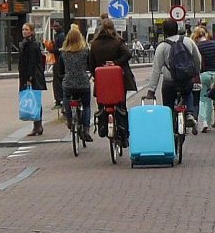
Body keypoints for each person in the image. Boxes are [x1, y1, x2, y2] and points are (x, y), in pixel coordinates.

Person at [145, 18, 203, 131]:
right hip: (186, 79)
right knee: (187, 92)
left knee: (168, 104)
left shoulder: (162, 47)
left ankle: (169, 123)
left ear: (164, 31)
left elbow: (156, 70)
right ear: (177, 28)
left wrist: (151, 90)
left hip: (169, 82)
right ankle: (190, 113)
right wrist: (195, 72)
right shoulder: (188, 41)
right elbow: (198, 59)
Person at [87, 16, 135, 145]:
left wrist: (96, 74)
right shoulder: (117, 42)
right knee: (121, 105)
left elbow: (91, 64)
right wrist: (115, 63)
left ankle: (103, 127)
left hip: (102, 82)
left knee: (102, 104)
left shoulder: (94, 45)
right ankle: (124, 134)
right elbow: (128, 54)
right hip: (118, 81)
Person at [60, 25, 92, 143]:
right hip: (83, 83)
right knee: (87, 105)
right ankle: (86, 129)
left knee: (66, 100)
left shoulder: (63, 53)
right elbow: (89, 65)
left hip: (68, 83)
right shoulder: (85, 51)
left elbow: (60, 70)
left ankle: (69, 120)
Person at [17, 22, 47, 137]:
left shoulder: (33, 45)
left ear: (31, 31)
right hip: (27, 76)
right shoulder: (25, 44)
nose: (24, 31)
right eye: (23, 29)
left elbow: (32, 63)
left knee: (35, 100)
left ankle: (37, 126)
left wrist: (29, 77)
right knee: (35, 100)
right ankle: (37, 125)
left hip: (32, 77)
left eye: (26, 29)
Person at [195, 27, 215, 133]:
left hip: (204, 74)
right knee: (212, 98)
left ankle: (204, 122)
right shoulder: (213, 44)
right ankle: (211, 119)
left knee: (203, 99)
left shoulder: (198, 47)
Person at [51, 21, 66, 108]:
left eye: (57, 26)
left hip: (58, 61)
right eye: (54, 26)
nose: (55, 28)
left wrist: (51, 49)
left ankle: (59, 100)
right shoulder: (58, 35)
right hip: (57, 60)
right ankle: (59, 100)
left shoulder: (61, 36)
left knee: (57, 80)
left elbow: (59, 49)